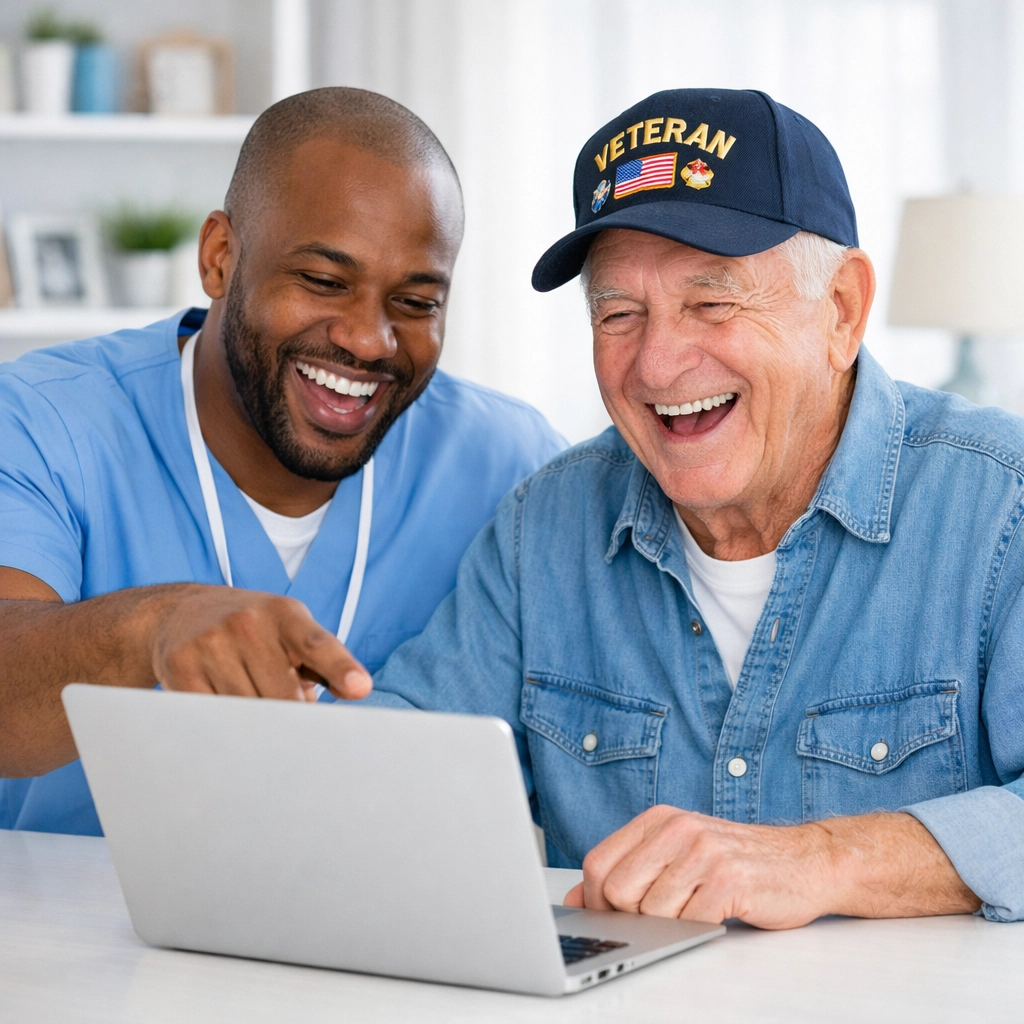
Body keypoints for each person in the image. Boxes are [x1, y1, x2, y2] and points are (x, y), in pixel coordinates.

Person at [361, 89, 1024, 927]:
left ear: (843, 311)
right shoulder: (544, 528)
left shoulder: (1002, 507)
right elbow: (404, 766)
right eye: (618, 313)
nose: (659, 364)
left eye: (712, 303)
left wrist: (824, 860)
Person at [0, 88, 564, 835]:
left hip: (385, 941)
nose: (369, 340)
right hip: (80, 939)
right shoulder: (43, 418)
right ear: (220, 258)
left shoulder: (511, 463)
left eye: (416, 302)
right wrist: (154, 628)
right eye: (324, 282)